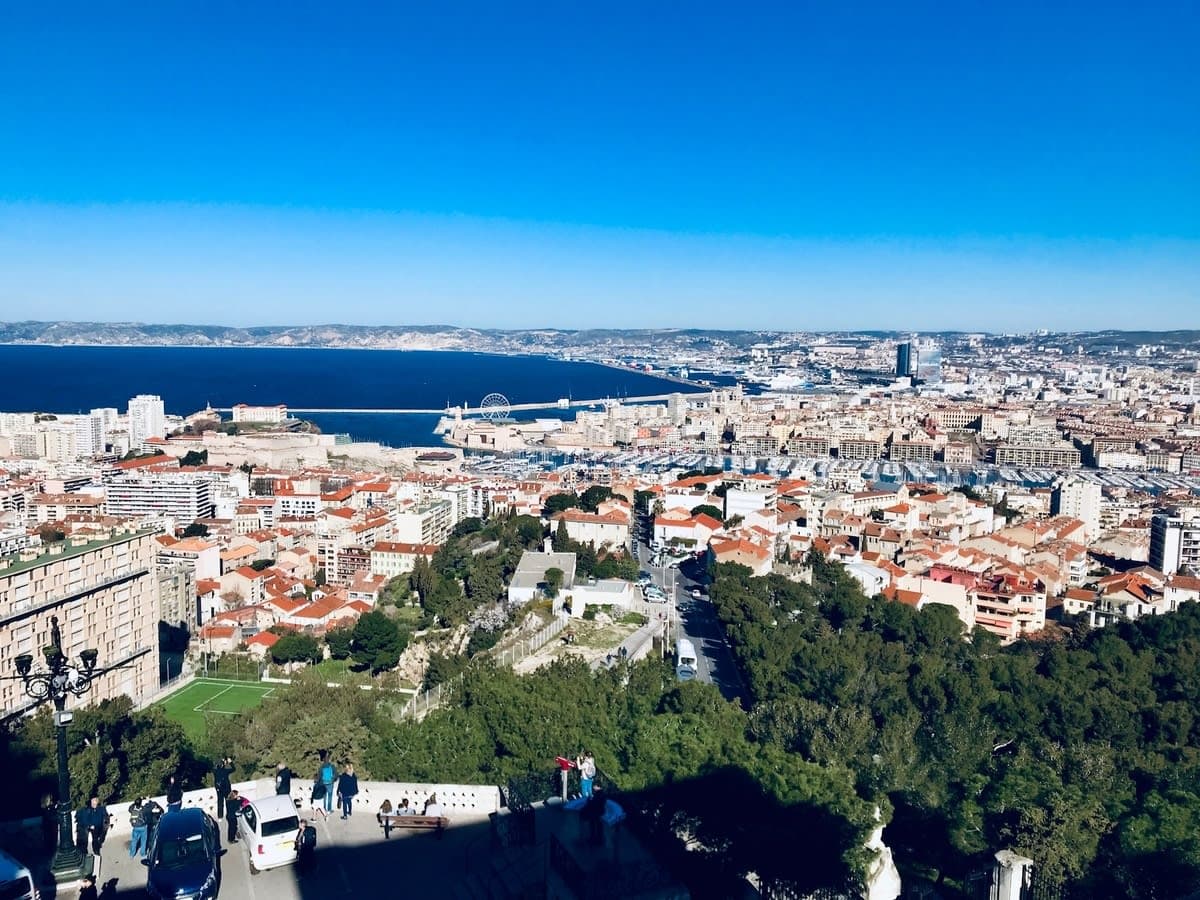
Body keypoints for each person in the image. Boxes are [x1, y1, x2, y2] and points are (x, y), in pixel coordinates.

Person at [318, 751, 336, 815]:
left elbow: (319, 775)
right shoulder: (332, 766)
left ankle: (324, 809)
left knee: (324, 797)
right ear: (329, 759)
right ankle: (329, 809)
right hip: (330, 783)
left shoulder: (321, 767)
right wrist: (333, 780)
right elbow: (335, 775)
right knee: (330, 797)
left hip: (323, 783)